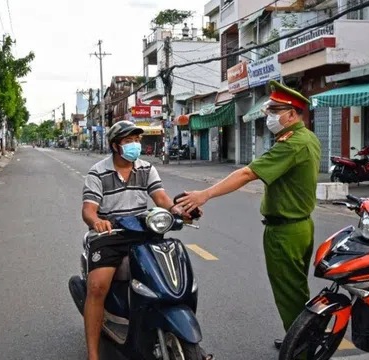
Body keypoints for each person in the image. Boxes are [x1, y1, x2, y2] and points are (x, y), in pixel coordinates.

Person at [177, 80, 321, 350]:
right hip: (300, 226)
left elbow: (246, 173)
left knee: (289, 294)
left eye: (275, 111)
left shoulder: (291, 144)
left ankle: (301, 351)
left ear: (292, 114)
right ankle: (298, 336)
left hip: (285, 231)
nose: (270, 117)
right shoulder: (307, 137)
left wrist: (204, 194)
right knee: (297, 290)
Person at [81, 120, 213, 360]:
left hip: (141, 230)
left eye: (136, 140)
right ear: (115, 146)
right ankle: (93, 354)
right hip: (110, 234)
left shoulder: (146, 168)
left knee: (163, 277)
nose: (135, 145)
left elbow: (161, 198)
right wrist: (97, 221)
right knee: (97, 287)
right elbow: (89, 209)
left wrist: (179, 211)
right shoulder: (97, 172)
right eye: (128, 141)